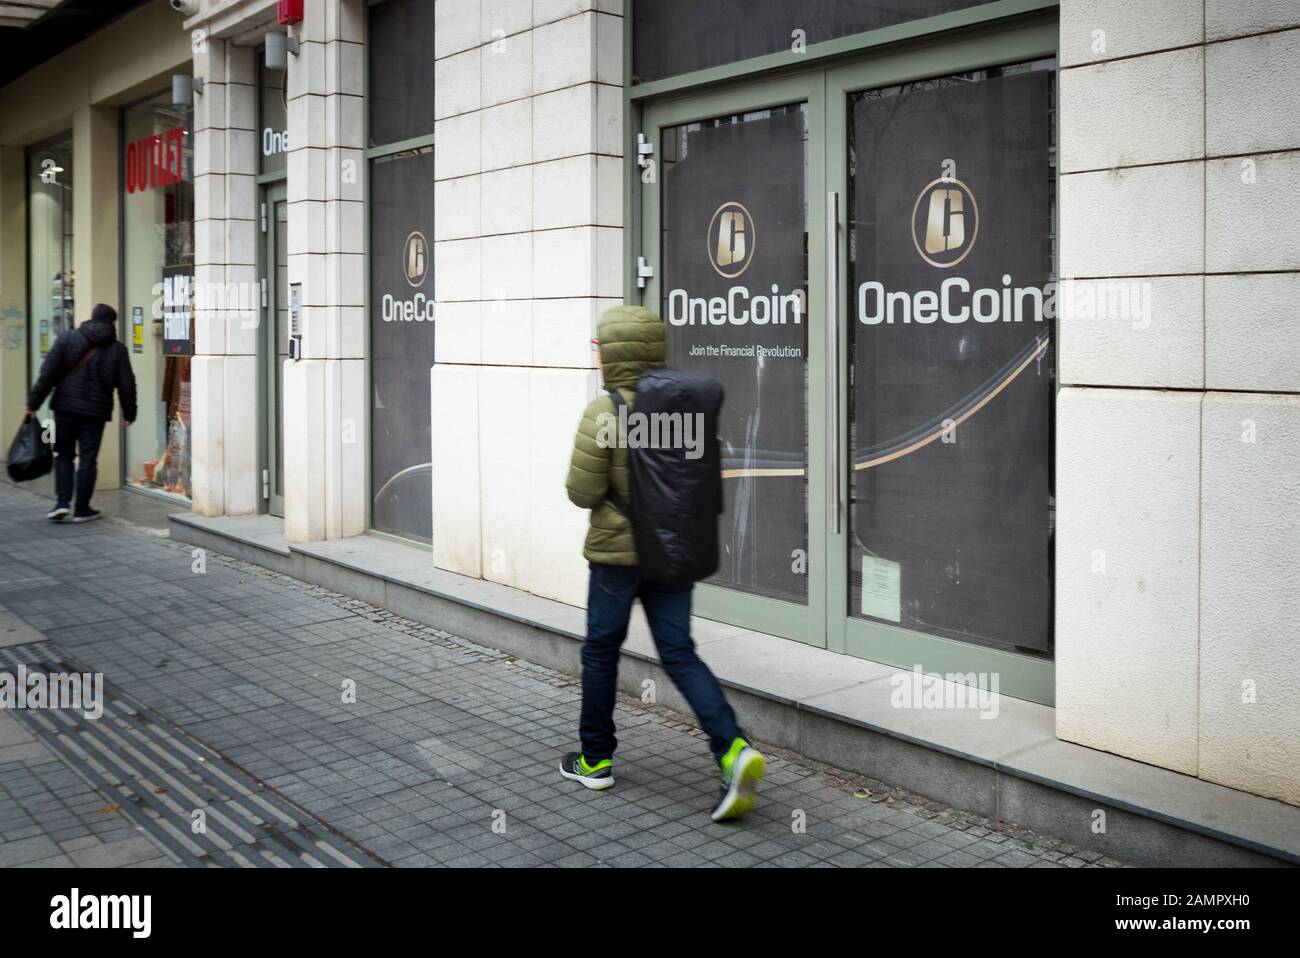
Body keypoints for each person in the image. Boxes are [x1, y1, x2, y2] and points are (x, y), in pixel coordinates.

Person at [560, 304, 765, 822]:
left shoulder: (604, 412)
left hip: (617, 558)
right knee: (679, 653)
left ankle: (595, 759)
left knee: (602, 651)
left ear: (610, 353)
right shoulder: (682, 409)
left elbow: (581, 493)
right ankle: (733, 749)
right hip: (673, 551)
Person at [26, 303, 137, 523]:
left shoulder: (67, 339)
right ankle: (82, 508)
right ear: (112, 323)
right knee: (88, 459)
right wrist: (129, 413)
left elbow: (47, 373)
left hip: (65, 408)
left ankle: (62, 502)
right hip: (95, 412)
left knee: (64, 454)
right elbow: (127, 385)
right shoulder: (117, 350)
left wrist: (33, 403)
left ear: (92, 318)